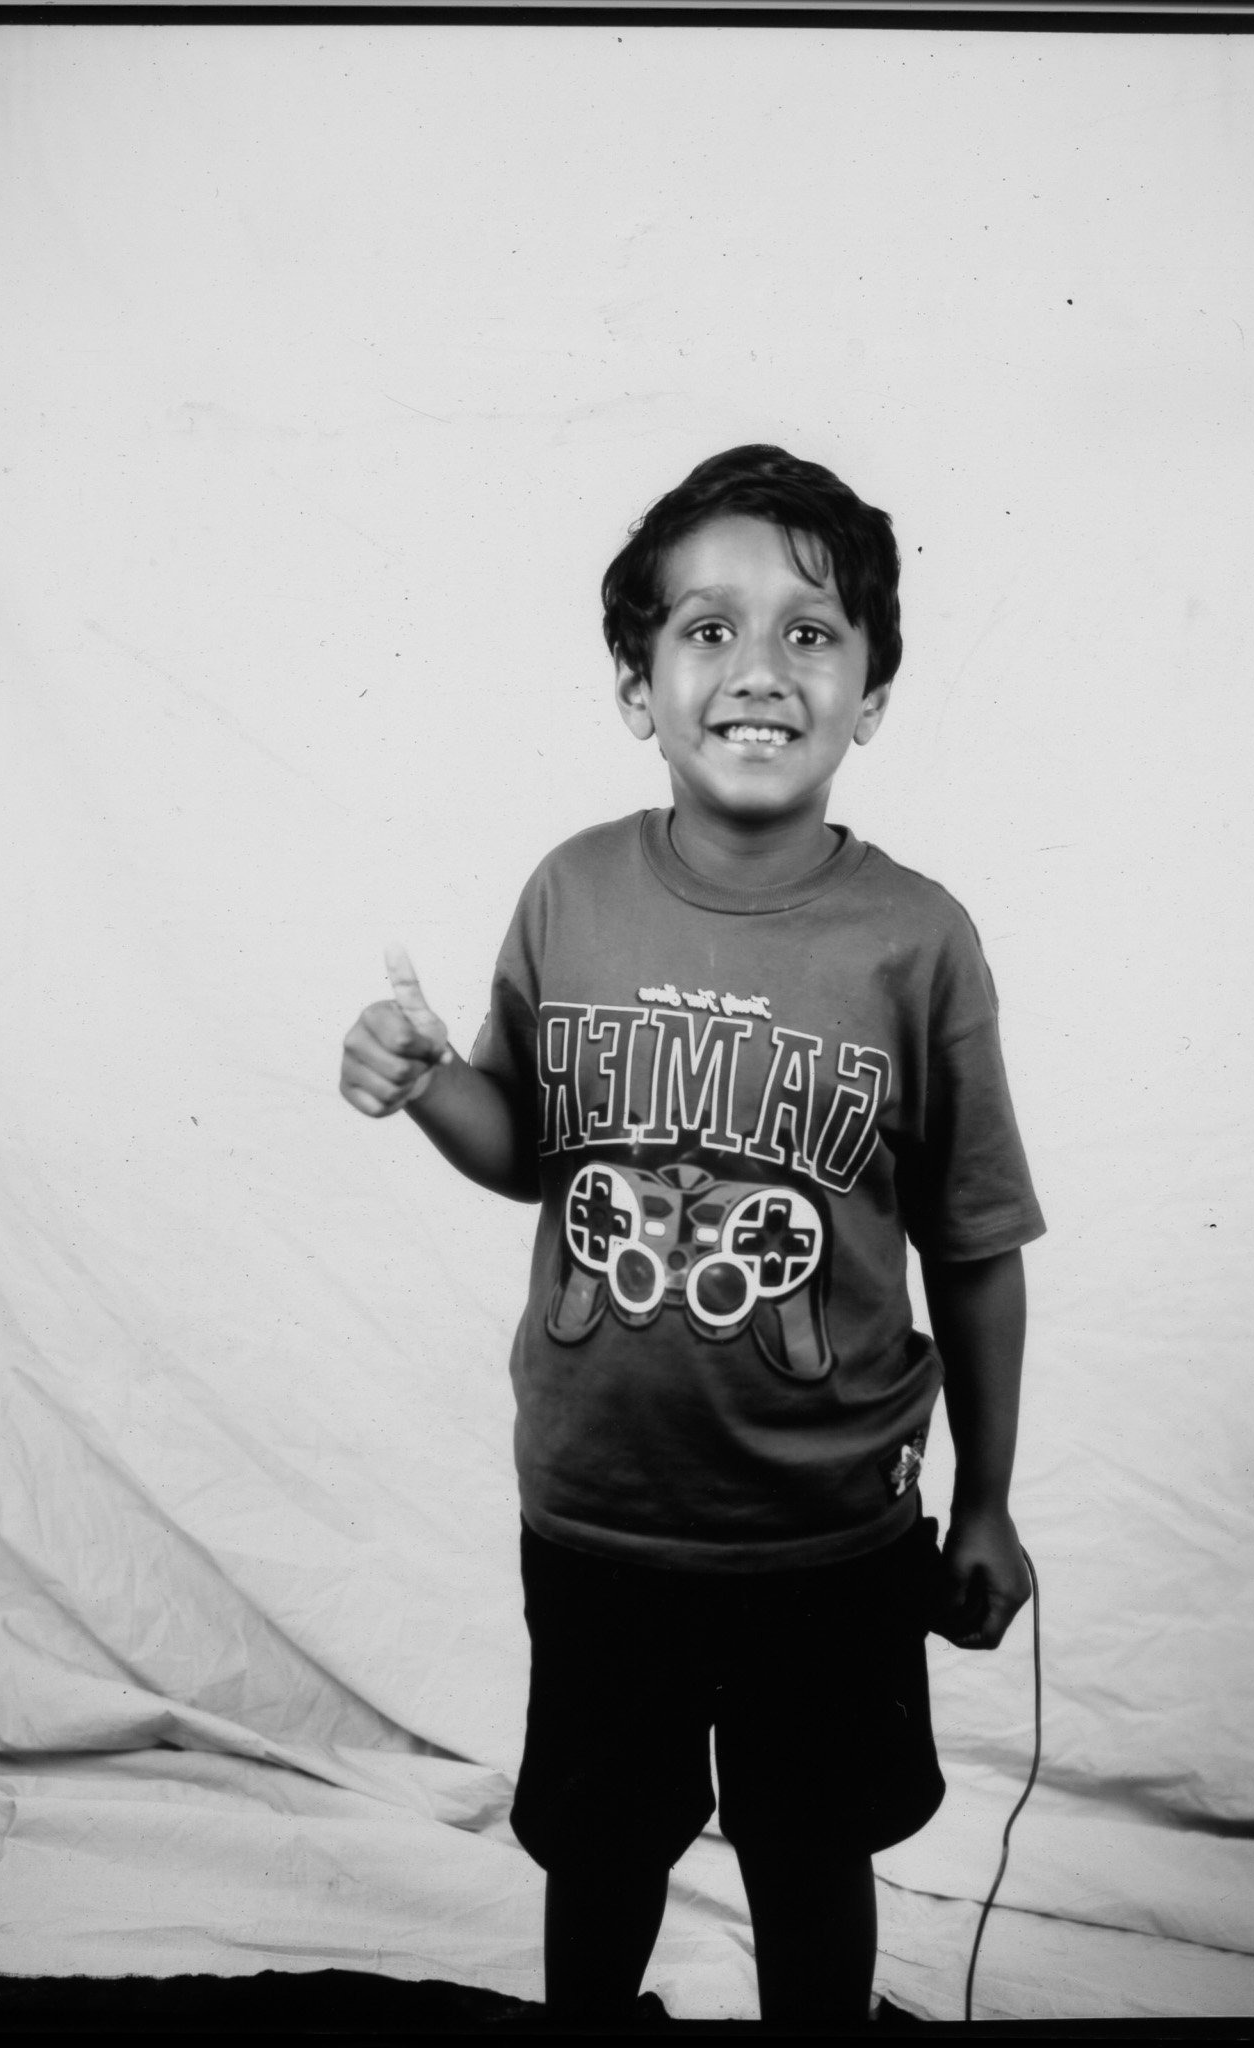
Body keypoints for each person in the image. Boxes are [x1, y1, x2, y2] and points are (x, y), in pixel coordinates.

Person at [340, 445, 1045, 2028]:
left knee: (811, 1853)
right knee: (600, 1851)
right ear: (633, 686)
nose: (758, 669)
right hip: (600, 1521)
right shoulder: (570, 892)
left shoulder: (918, 940)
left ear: (870, 695)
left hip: (835, 1538)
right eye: (707, 629)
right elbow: (530, 1152)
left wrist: (989, 1502)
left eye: (810, 632)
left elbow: (975, 1245)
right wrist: (431, 1082)